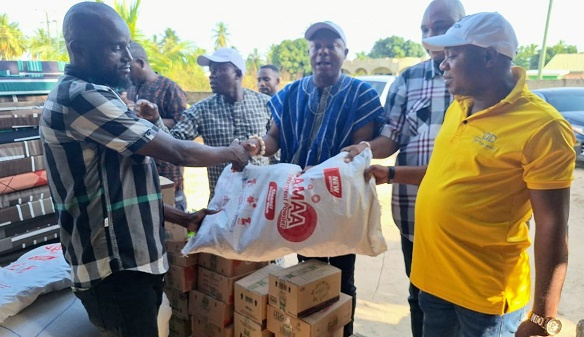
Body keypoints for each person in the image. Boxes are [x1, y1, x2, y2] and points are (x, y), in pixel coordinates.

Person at [39, 3, 249, 337]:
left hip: (133, 265)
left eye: (126, 45)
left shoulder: (102, 97)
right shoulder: (79, 97)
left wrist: (181, 218)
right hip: (116, 271)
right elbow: (177, 150)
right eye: (114, 48)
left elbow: (120, 191)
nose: (126, 56)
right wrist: (232, 152)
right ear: (78, 50)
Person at [364, 12, 574, 337]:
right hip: (432, 281)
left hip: (483, 297)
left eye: (452, 55)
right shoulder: (459, 106)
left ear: (488, 56)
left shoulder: (543, 128)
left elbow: (553, 224)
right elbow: (445, 175)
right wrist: (391, 173)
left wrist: (543, 316)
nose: (441, 65)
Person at [243, 21, 385, 337]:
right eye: (316, 46)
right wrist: (258, 145)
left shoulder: (360, 94)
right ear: (308, 53)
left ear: (344, 52)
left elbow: (358, 153)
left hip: (340, 203)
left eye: (331, 45)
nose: (323, 51)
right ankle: (311, 330)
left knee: (342, 275)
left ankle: (340, 330)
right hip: (298, 200)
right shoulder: (292, 93)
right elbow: (274, 140)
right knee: (307, 271)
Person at [343, 1, 465, 335]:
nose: (431, 34)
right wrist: (367, 149)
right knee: (421, 296)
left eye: (440, 25)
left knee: (466, 304)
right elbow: (391, 137)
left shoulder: (478, 79)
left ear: (462, 25)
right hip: (414, 212)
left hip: (464, 216)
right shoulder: (407, 79)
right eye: (424, 29)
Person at [141, 47, 272, 197]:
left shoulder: (266, 104)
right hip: (222, 200)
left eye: (218, 70)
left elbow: (276, 150)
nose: (212, 76)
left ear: (237, 73)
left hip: (262, 198)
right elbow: (173, 143)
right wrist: (156, 119)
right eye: (211, 71)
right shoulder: (202, 110)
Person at [127, 41, 189, 210]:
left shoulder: (169, 87)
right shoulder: (132, 89)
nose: (127, 74)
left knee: (174, 222)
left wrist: (152, 119)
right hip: (142, 168)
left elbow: (182, 122)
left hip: (167, 167)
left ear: (140, 63)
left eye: (129, 68)